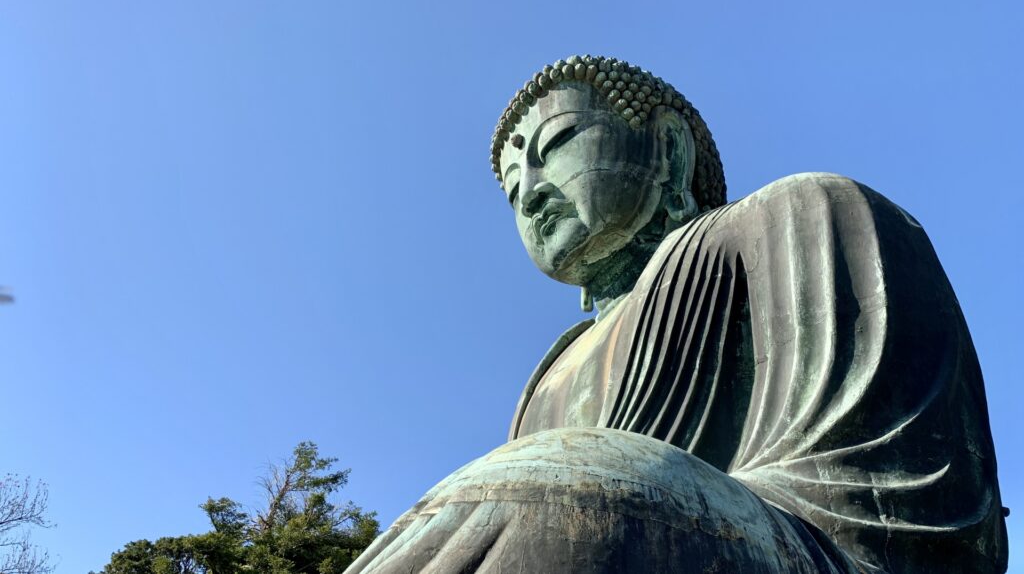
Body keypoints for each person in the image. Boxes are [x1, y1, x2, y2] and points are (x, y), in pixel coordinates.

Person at [345, 56, 1008, 573]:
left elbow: (912, 501)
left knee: (542, 501)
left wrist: (604, 485)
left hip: (808, 545)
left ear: (668, 149)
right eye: (515, 190)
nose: (533, 196)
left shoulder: (805, 214)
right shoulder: (548, 379)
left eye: (561, 142)